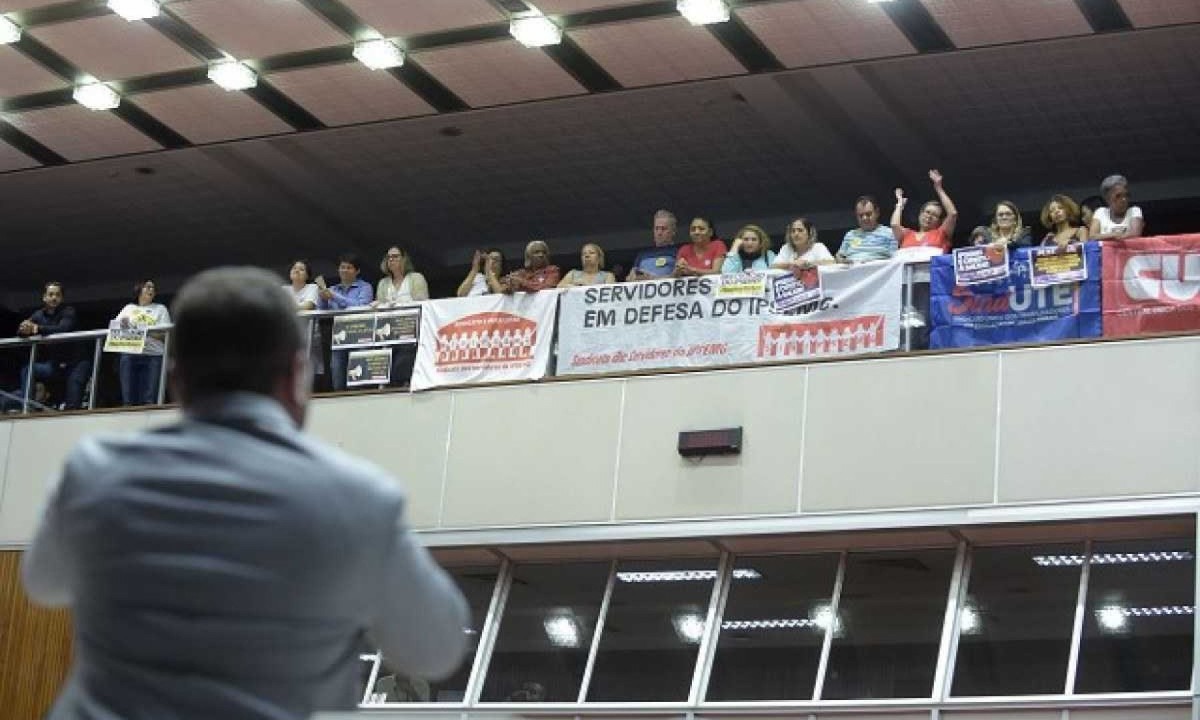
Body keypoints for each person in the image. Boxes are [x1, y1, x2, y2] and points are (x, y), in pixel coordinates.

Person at [23, 266, 470, 720]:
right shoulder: (360, 498)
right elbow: (435, 650)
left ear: (177, 378)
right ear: (298, 374)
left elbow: (43, 585)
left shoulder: (93, 471)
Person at [16, 281, 92, 410]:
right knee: (29, 369)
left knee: (72, 405)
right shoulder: (38, 314)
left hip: (77, 363)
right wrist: (24, 329)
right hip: (56, 364)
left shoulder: (68, 311)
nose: (54, 298)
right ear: (44, 297)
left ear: (62, 298)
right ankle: (27, 407)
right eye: (50, 294)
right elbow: (21, 331)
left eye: (57, 295)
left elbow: (63, 328)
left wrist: (37, 329)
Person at [317, 253, 374, 391]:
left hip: (360, 336)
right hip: (338, 338)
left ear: (357, 271)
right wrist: (323, 299)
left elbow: (360, 306)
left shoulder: (365, 287)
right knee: (337, 377)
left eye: (349, 267)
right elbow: (321, 311)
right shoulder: (333, 289)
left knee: (359, 379)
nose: (344, 270)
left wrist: (335, 297)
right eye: (342, 267)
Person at [114, 279, 171, 406]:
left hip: (154, 355)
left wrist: (141, 330)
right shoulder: (128, 308)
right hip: (130, 354)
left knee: (149, 399)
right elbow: (117, 329)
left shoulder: (160, 309)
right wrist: (135, 328)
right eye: (148, 287)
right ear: (139, 289)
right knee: (128, 399)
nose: (151, 290)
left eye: (153, 288)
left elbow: (165, 334)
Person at [890, 170, 959, 254]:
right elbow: (894, 225)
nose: (929, 216)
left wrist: (938, 188)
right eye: (927, 212)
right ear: (920, 214)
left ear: (939, 221)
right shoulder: (907, 234)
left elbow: (952, 214)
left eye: (935, 215)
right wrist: (900, 204)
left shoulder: (941, 234)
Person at [284, 260, 324, 378]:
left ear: (307, 275)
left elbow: (308, 306)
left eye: (301, 269)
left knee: (310, 373)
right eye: (294, 268)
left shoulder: (312, 288)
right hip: (289, 337)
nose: (296, 271)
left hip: (309, 337)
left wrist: (288, 307)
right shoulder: (284, 289)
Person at [837, 196, 897, 263]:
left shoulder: (890, 233)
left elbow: (895, 259)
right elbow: (839, 256)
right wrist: (842, 261)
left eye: (868, 214)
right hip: (852, 270)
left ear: (877, 213)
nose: (864, 218)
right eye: (861, 215)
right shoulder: (850, 234)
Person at [627, 209, 679, 281]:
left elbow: (680, 278)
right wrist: (632, 277)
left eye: (663, 229)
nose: (659, 233)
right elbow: (629, 279)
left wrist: (651, 278)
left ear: (673, 231)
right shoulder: (642, 254)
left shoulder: (679, 252)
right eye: (656, 228)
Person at [1089, 174, 1144, 240]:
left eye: (1126, 195)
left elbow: (1135, 234)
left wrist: (1104, 237)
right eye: (1118, 196)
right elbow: (1092, 237)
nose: (1124, 199)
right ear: (1107, 199)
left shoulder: (1134, 211)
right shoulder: (1100, 212)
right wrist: (1116, 235)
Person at [495, 240, 560, 293]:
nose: (541, 255)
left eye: (544, 252)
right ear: (529, 256)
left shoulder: (553, 270)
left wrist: (522, 282)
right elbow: (503, 283)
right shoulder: (521, 273)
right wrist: (509, 286)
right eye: (536, 252)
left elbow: (547, 287)